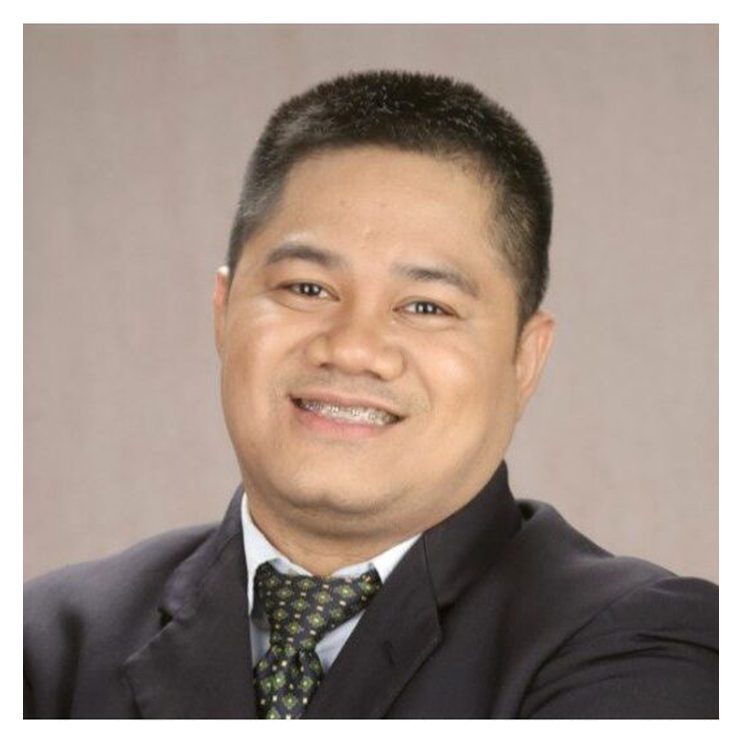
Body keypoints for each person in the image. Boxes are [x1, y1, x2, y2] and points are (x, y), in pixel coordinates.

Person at [23, 70, 718, 719]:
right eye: (307, 288)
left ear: (524, 357)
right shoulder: (43, 644)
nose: (352, 346)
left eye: (424, 306)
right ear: (224, 308)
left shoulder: (643, 643)